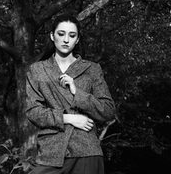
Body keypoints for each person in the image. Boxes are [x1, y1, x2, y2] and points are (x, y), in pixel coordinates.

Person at [25, 14, 116, 174]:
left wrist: (76, 92)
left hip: (86, 150)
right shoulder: (37, 69)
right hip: (51, 151)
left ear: (77, 39)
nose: (66, 40)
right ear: (52, 36)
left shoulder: (92, 69)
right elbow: (33, 111)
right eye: (61, 34)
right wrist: (68, 119)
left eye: (72, 35)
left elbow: (108, 111)